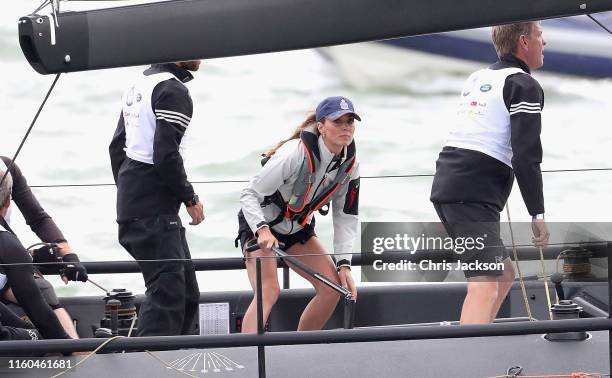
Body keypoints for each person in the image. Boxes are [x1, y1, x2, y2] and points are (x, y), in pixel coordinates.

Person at [430, 21, 550, 324]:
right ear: (523, 42)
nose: (544, 43)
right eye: (539, 36)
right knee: (484, 284)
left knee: (504, 275)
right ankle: (468, 361)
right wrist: (537, 214)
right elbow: (526, 156)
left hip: (452, 184)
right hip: (472, 192)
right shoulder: (523, 84)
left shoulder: (478, 76)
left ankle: (484, 345)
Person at [237, 96, 361, 333]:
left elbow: (346, 217)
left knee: (333, 288)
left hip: (297, 229)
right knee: (269, 291)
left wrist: (344, 264)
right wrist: (262, 229)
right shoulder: (294, 153)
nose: (345, 126)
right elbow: (249, 194)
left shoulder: (351, 165)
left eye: (350, 121)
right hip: (260, 223)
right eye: (338, 121)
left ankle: (301, 349)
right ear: (321, 126)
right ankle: (249, 359)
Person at [109, 61, 205, 336]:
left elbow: (117, 147)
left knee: (187, 294)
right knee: (168, 296)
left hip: (138, 201)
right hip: (153, 208)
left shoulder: (139, 84)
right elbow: (165, 154)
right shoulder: (172, 90)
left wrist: (130, 192)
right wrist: (190, 198)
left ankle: (174, 360)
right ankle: (147, 364)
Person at [0, 156, 86, 339]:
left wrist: (67, 254)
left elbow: (38, 218)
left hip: (6, 255)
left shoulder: (7, 166)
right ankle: (59, 345)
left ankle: (78, 354)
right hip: (7, 251)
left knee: (42, 289)